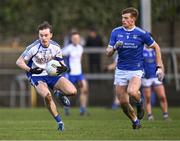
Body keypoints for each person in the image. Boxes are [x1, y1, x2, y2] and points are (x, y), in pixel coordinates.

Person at [106, 7, 164, 129]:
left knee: (132, 91)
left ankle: (139, 102)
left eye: (126, 18)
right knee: (123, 103)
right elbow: (108, 52)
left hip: (136, 70)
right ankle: (135, 121)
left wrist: (159, 66)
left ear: (133, 19)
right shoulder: (116, 32)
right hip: (120, 70)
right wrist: (115, 47)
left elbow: (156, 47)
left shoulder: (141, 33)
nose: (123, 20)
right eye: (122, 18)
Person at [16, 21, 77, 131]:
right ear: (38, 35)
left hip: (51, 74)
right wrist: (30, 69)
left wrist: (65, 68)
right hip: (36, 75)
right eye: (41, 35)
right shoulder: (33, 47)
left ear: (51, 35)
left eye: (46, 35)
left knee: (73, 91)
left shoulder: (56, 47)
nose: (43, 38)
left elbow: (61, 63)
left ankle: (59, 94)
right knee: (47, 95)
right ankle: (60, 122)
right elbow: (19, 62)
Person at [62, 31, 89, 116]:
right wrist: (65, 68)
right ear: (71, 39)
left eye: (77, 38)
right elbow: (59, 58)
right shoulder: (67, 49)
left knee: (84, 90)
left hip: (79, 74)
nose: (76, 40)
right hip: (69, 74)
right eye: (74, 38)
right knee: (68, 93)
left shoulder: (80, 48)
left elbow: (79, 60)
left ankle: (82, 109)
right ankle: (66, 108)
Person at [142, 46, 169, 120]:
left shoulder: (155, 50)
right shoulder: (141, 50)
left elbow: (160, 63)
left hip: (156, 76)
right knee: (147, 98)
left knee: (162, 96)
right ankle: (150, 116)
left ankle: (165, 115)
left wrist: (162, 73)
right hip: (146, 77)